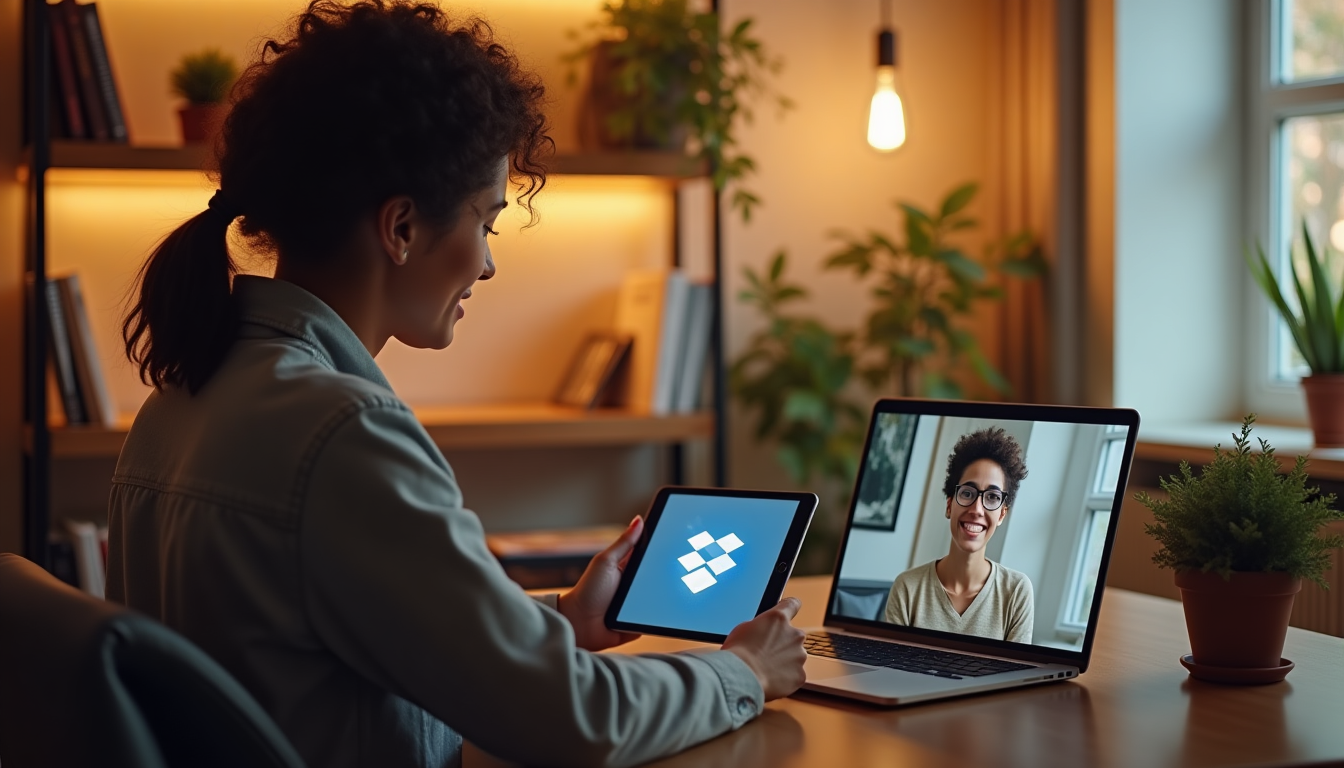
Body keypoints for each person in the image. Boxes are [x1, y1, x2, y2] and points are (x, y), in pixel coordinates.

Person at [104, 3, 806, 767]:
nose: (488, 263)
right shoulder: (343, 433)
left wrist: (562, 623)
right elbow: (574, 721)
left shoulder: (180, 399)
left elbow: (327, 641)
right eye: (487, 223)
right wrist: (744, 671)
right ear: (401, 229)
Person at [882, 427, 1035, 643]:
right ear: (949, 505)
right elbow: (890, 673)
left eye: (991, 497)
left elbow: (1018, 675)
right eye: (967, 493)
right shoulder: (908, 588)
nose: (977, 509)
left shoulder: (1017, 591)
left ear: (1001, 514)